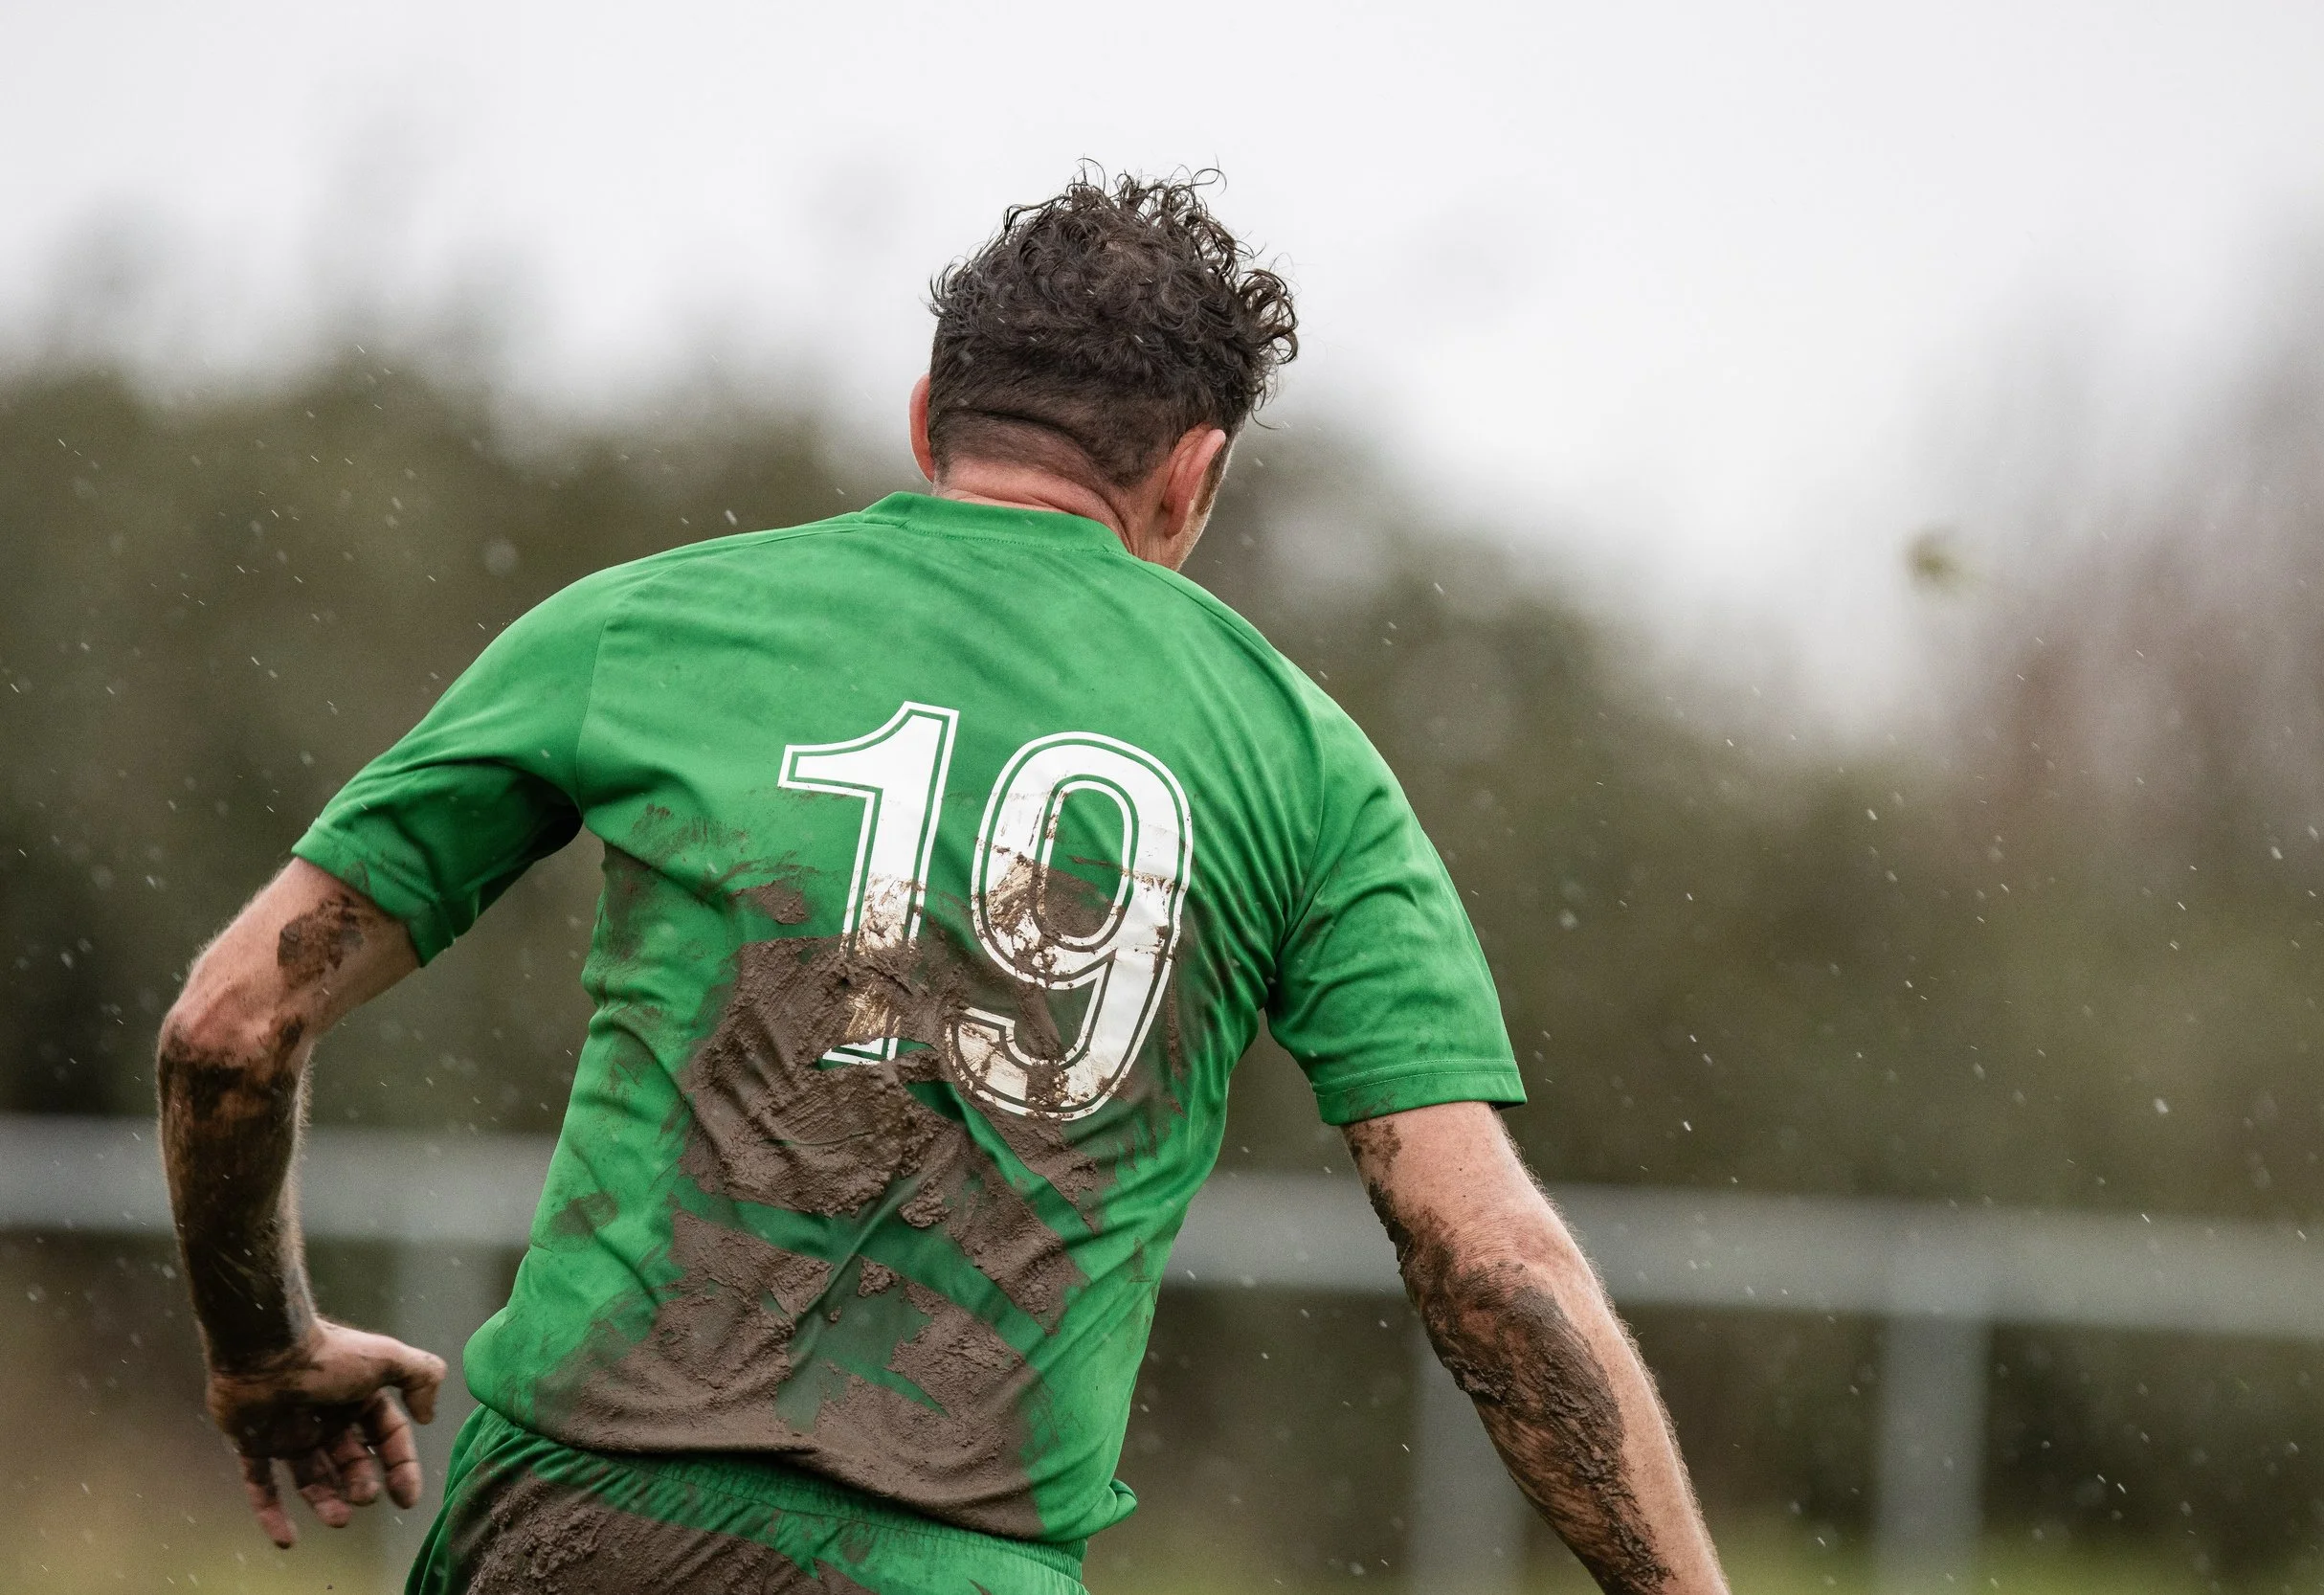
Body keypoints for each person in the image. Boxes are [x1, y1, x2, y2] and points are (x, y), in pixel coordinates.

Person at [155, 170, 1732, 1595]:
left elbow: (226, 1030)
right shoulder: (1305, 763)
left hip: (569, 1523)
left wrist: (264, 1346)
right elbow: (1489, 1265)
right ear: (1192, 474)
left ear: (928, 418)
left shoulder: (645, 625)